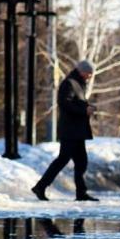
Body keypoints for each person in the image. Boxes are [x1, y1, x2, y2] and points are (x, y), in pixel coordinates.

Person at [32, 60, 99, 202]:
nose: (90, 76)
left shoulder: (78, 84)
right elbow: (65, 103)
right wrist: (84, 110)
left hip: (77, 131)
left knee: (81, 162)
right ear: (82, 71)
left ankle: (81, 193)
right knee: (63, 159)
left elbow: (74, 102)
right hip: (70, 130)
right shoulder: (69, 83)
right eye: (89, 73)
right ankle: (40, 187)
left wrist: (86, 107)